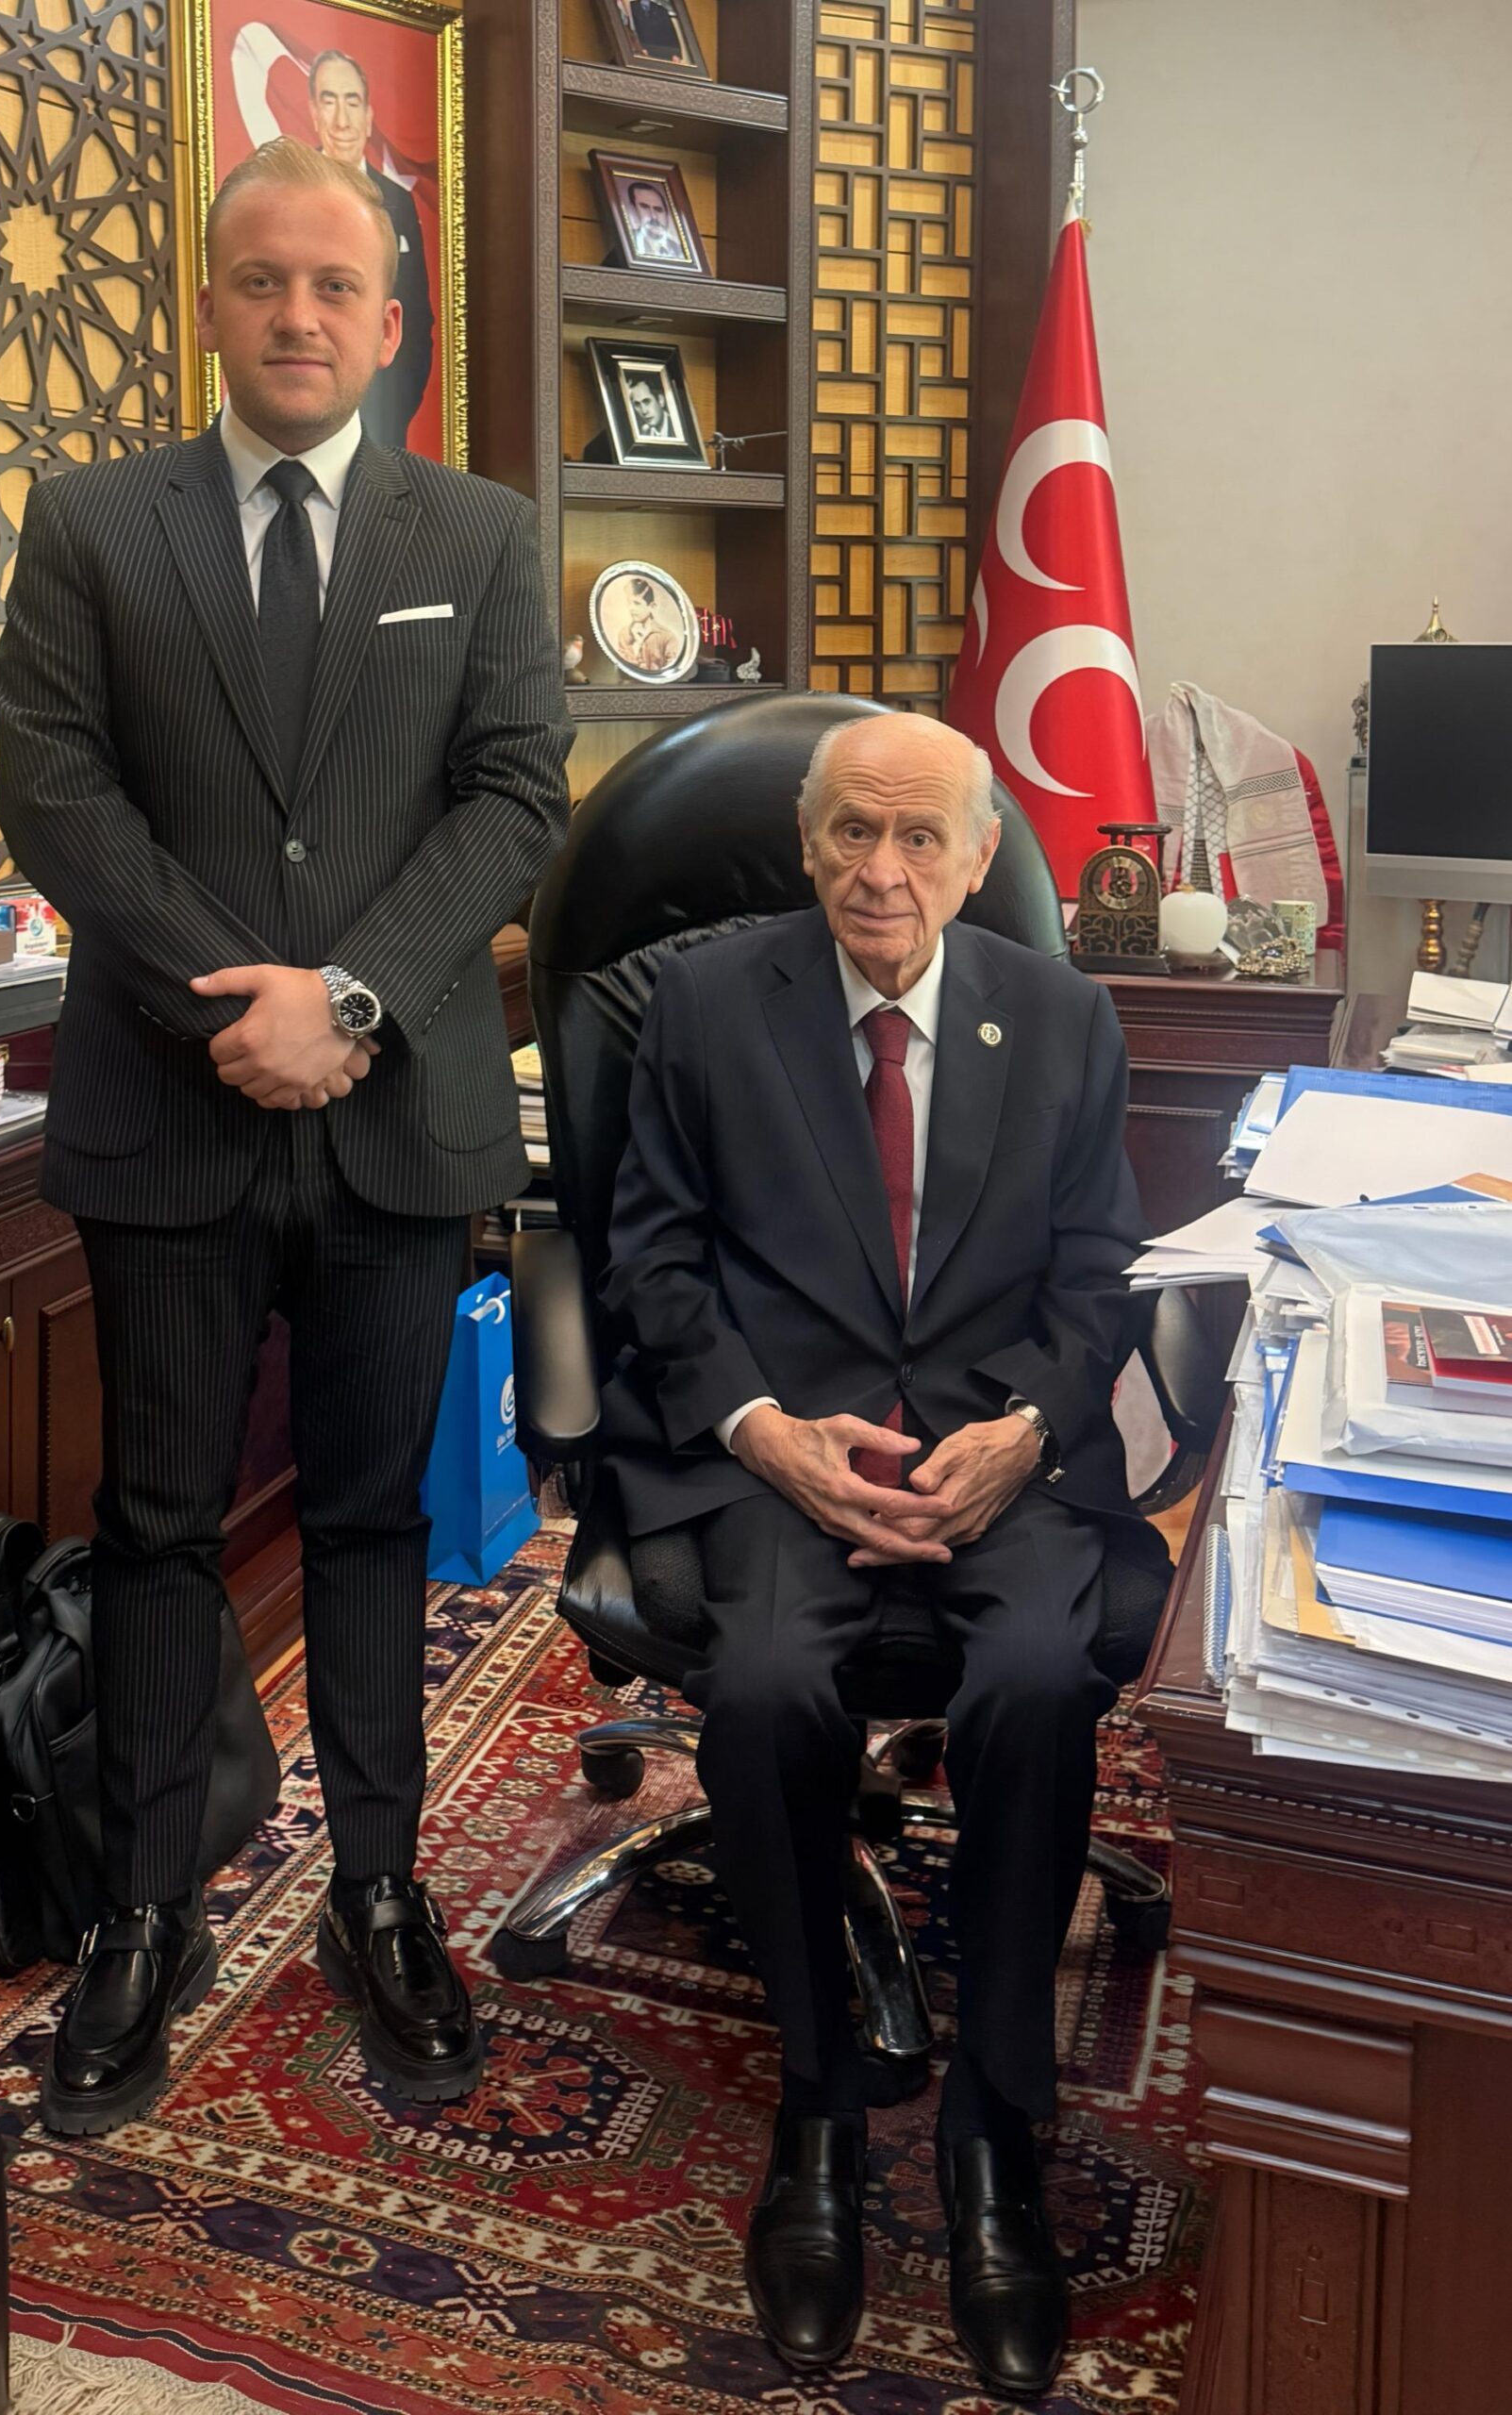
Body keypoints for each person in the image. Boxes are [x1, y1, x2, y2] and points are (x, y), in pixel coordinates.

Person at [0, 136, 572, 2139]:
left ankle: (378, 1889)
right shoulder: (94, 522)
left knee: (372, 1518)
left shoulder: (478, 531)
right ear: (211, 305)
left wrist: (358, 998)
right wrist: (232, 999)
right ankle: (143, 1910)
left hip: (397, 1111)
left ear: (389, 322)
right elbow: (55, 790)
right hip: (169, 1109)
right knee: (158, 1521)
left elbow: (515, 793)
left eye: (335, 286)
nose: (299, 315)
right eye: (263, 280)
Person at [601, 713, 1156, 2394]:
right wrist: (761, 1430)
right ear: (806, 841)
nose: (881, 870)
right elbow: (651, 1261)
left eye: (921, 838)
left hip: (998, 1450)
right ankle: (818, 2108)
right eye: (851, 830)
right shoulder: (704, 1007)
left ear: (981, 860)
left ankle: (995, 2126)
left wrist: (1027, 1432)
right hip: (787, 1454)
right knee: (764, 1687)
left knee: (1038, 1676)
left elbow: (1098, 1275)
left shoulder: (1061, 1017)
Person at [307, 49, 433, 452]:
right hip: (303, 424)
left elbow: (417, 321)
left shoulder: (399, 202)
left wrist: (394, 411)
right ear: (314, 112)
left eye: (352, 102)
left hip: (382, 428)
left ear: (368, 116)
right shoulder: (286, 197)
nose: (342, 120)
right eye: (329, 101)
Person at [623, 180, 688, 265]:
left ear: (667, 213)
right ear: (633, 209)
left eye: (658, 210)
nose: (654, 216)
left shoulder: (681, 250)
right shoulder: (626, 243)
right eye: (645, 207)